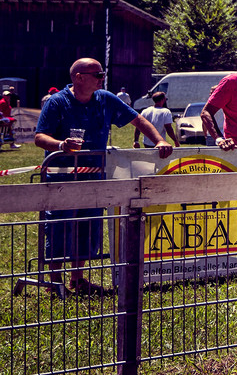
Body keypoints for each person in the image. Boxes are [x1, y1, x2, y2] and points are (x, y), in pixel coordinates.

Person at [33, 58, 173, 294]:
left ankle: (77, 279)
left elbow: (137, 120)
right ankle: (54, 281)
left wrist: (159, 139)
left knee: (88, 226)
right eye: (97, 74)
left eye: (102, 73)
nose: (102, 78)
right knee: (59, 226)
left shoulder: (106, 99)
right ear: (79, 77)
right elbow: (39, 137)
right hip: (61, 176)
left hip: (95, 175)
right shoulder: (57, 102)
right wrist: (60, 145)